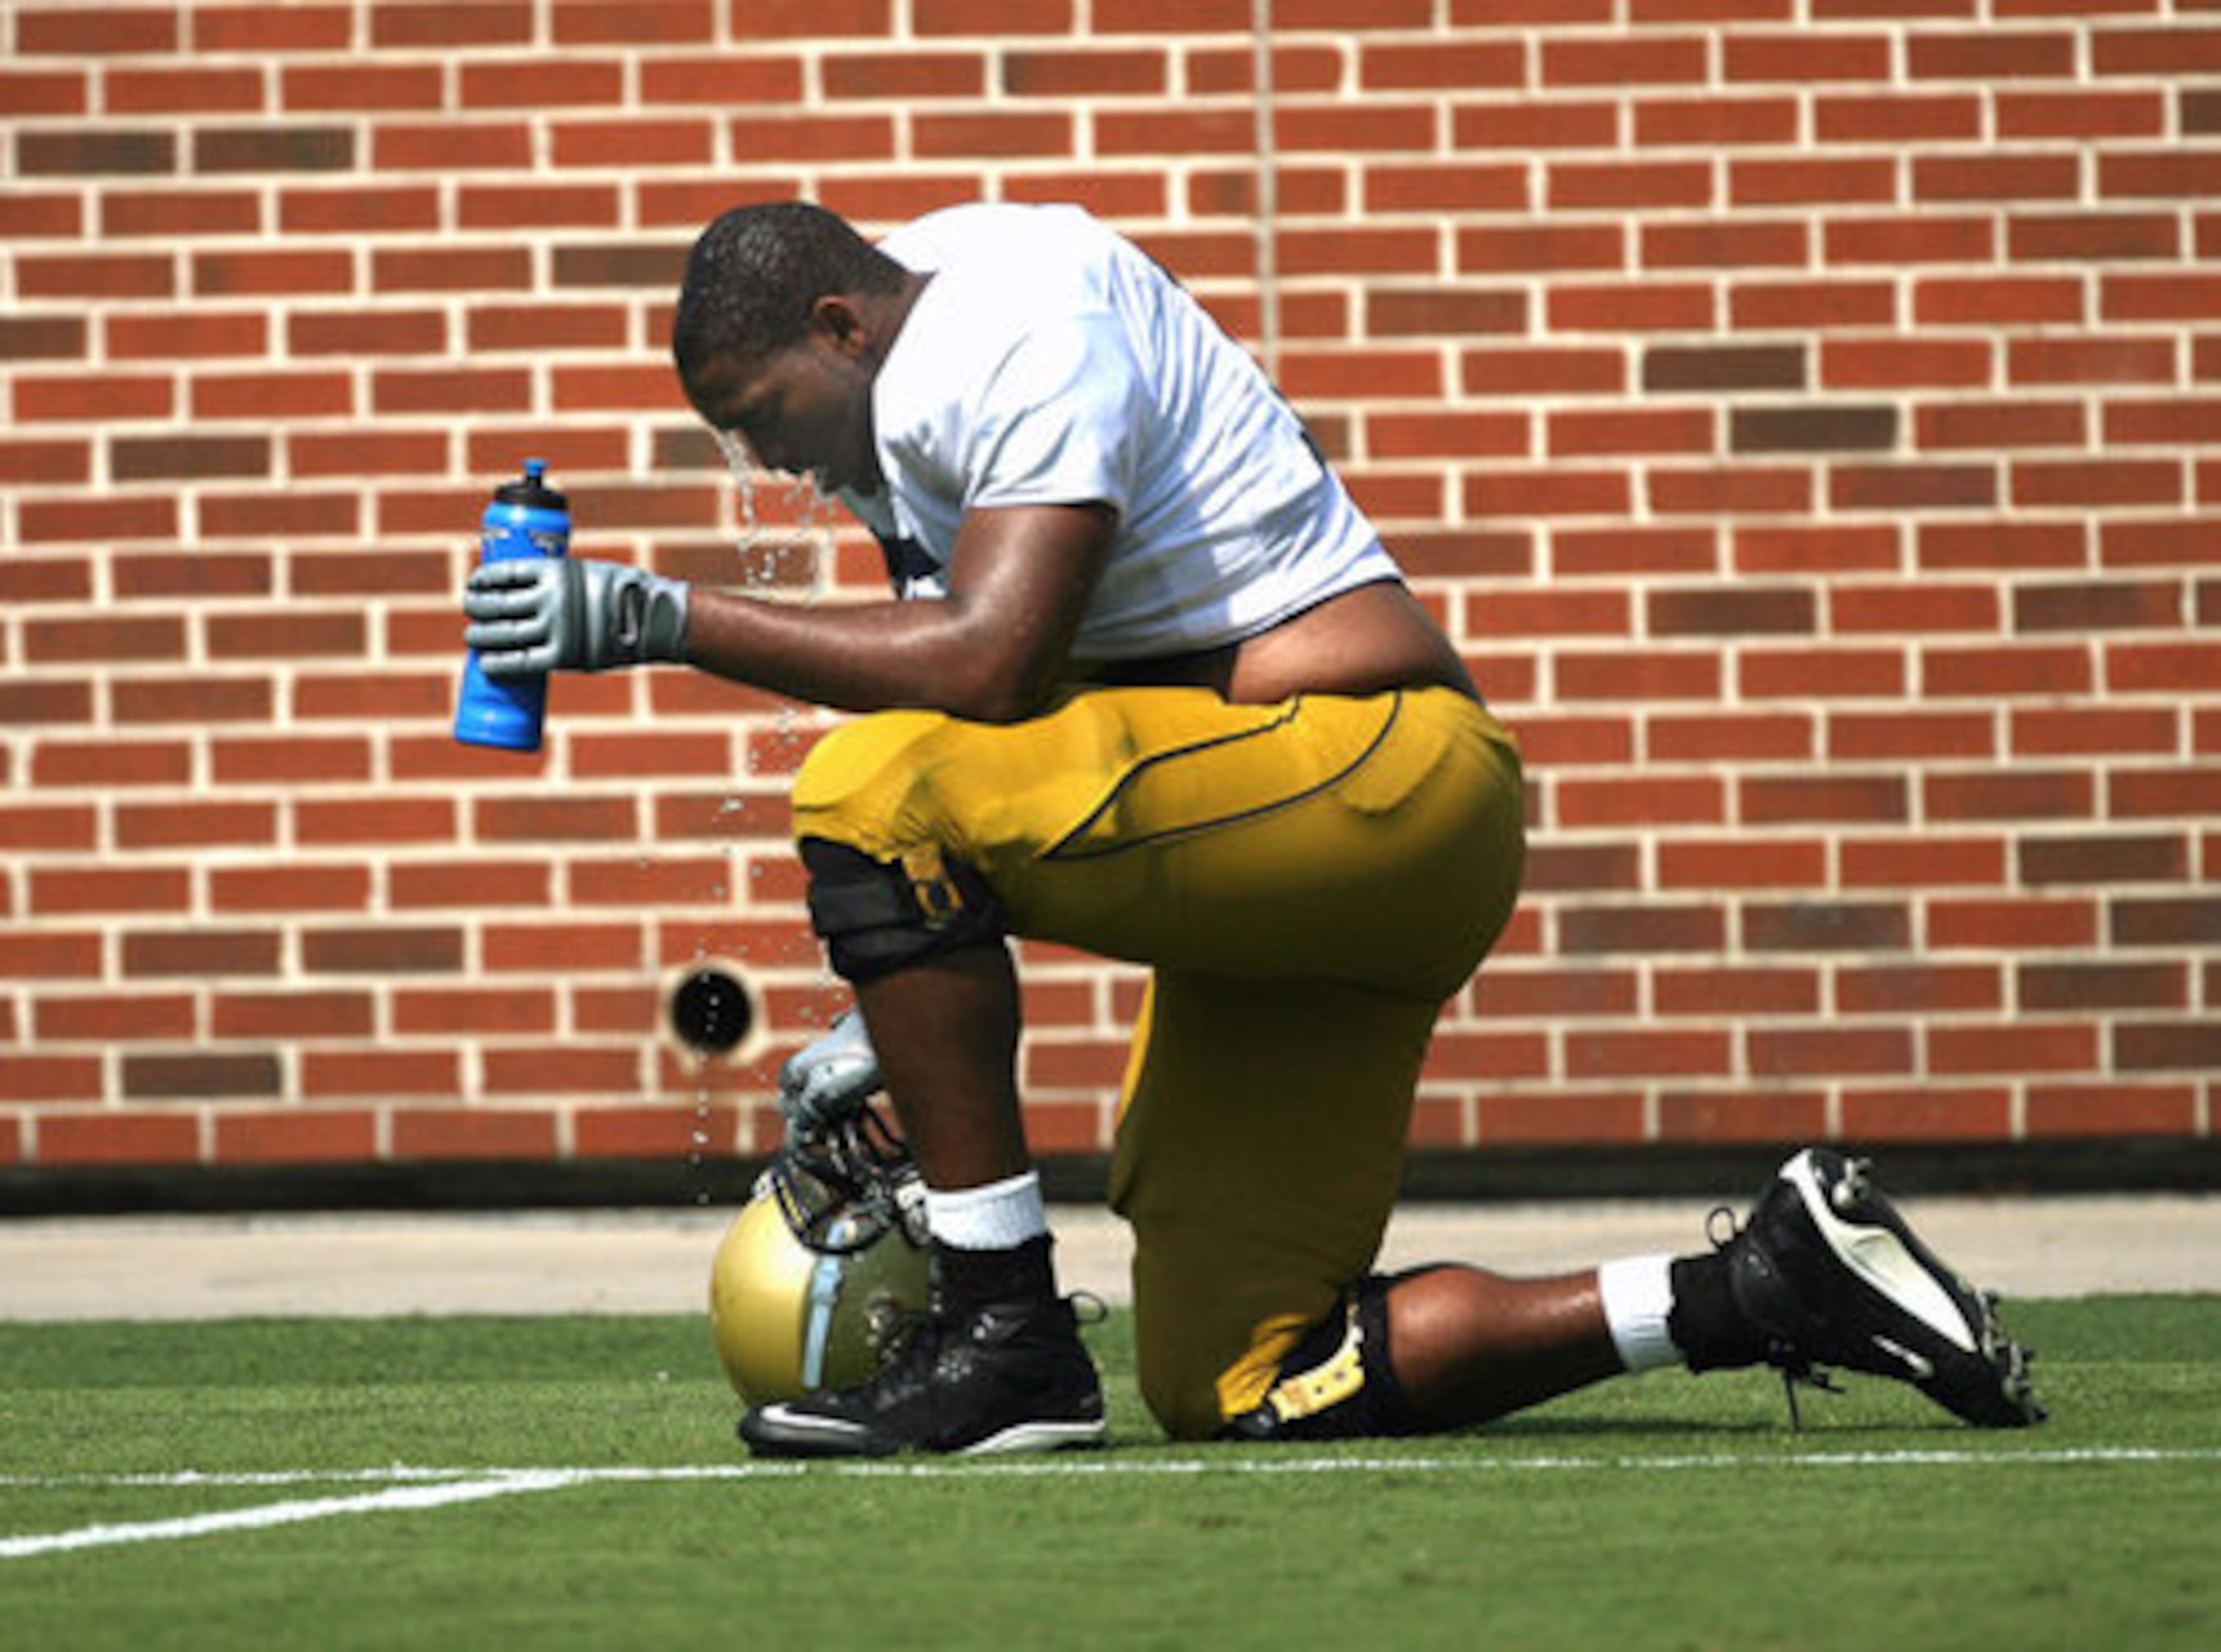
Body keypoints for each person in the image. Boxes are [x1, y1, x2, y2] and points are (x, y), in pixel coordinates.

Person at [463, 199, 2042, 1455]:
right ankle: (1774, 1283)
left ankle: (1001, 1328)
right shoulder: (910, 365)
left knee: (860, 789)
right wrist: (895, 1024)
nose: (764, 463)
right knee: (1243, 1372)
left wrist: (662, 618)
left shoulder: (1010, 327)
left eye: (765, 416)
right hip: (1289, 833)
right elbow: (994, 747)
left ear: (839, 323)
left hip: (1380, 776)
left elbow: (990, 670)